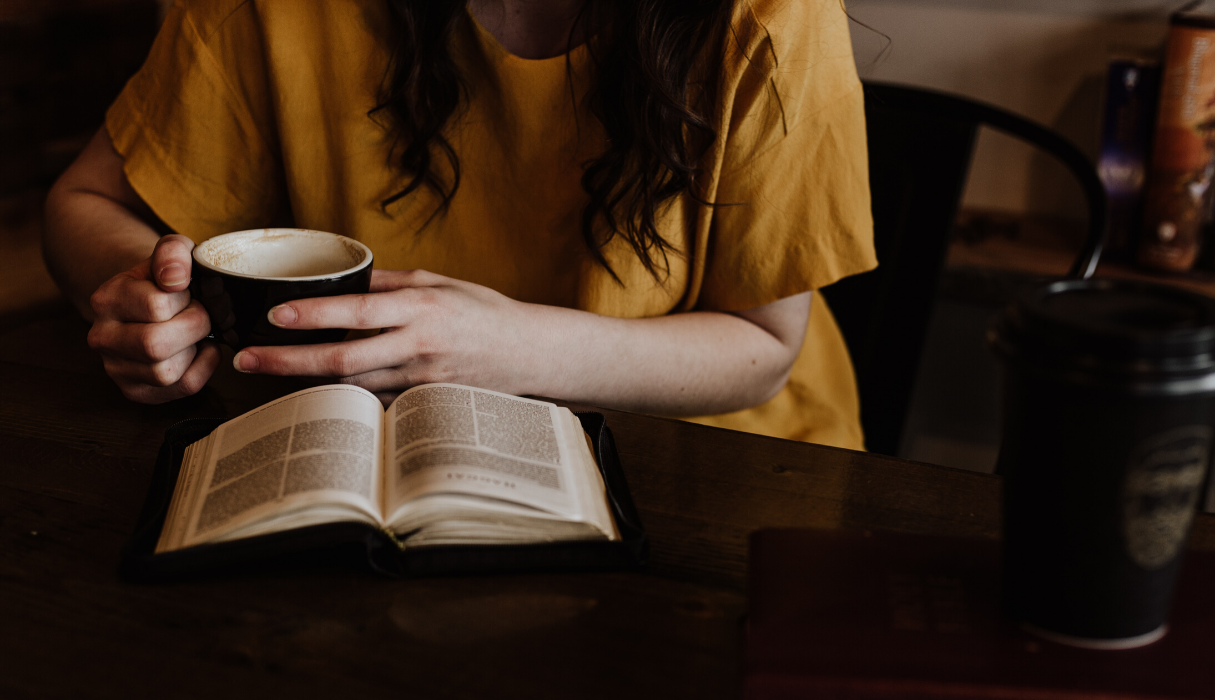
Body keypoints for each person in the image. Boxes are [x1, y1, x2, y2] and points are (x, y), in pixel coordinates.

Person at [43, 0, 876, 449]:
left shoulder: (772, 15)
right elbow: (83, 205)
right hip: (349, 449)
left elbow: (763, 350)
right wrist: (144, 296)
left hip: (706, 460)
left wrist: (504, 350)